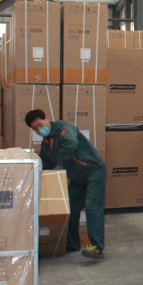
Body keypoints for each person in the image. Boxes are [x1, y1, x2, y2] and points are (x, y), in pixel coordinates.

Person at [26, 108, 107, 259]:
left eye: (39, 125)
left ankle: (97, 247)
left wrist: (60, 164)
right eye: (35, 128)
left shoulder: (63, 128)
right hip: (77, 178)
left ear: (46, 118)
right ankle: (72, 243)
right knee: (69, 207)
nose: (38, 129)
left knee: (92, 206)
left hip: (93, 170)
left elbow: (71, 143)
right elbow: (44, 164)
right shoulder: (46, 143)